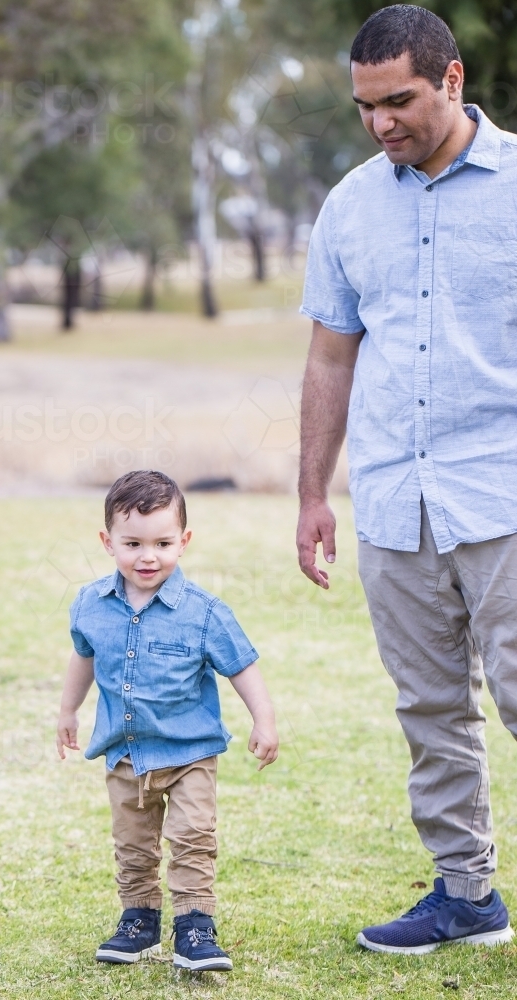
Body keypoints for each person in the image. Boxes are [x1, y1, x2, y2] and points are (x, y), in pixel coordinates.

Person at [297, 3, 517, 956]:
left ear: (453, 80)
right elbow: (327, 360)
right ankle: (464, 893)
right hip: (395, 498)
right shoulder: (350, 203)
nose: (382, 123)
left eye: (401, 101)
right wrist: (312, 492)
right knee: (429, 710)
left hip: (503, 491)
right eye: (365, 107)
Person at [57, 469, 278, 970]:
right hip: (126, 752)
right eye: (132, 542)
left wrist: (263, 719)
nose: (148, 556)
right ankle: (138, 921)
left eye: (162, 542)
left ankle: (196, 927)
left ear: (185, 540)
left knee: (193, 839)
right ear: (107, 541)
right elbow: (83, 656)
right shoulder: (91, 605)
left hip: (189, 752)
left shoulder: (203, 612)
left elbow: (242, 665)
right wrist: (68, 710)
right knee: (132, 844)